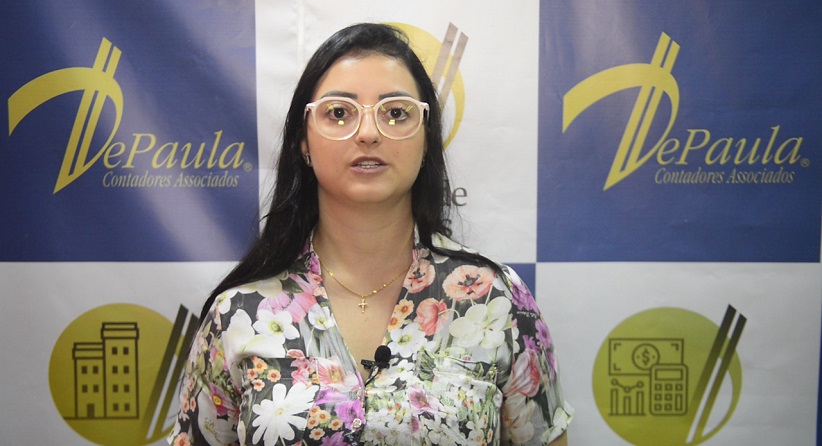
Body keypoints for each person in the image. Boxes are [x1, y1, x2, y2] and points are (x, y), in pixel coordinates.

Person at [169, 22, 572, 446]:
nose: (367, 133)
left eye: (395, 113)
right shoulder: (239, 313)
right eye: (339, 112)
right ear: (303, 143)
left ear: (426, 139)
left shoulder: (496, 300)